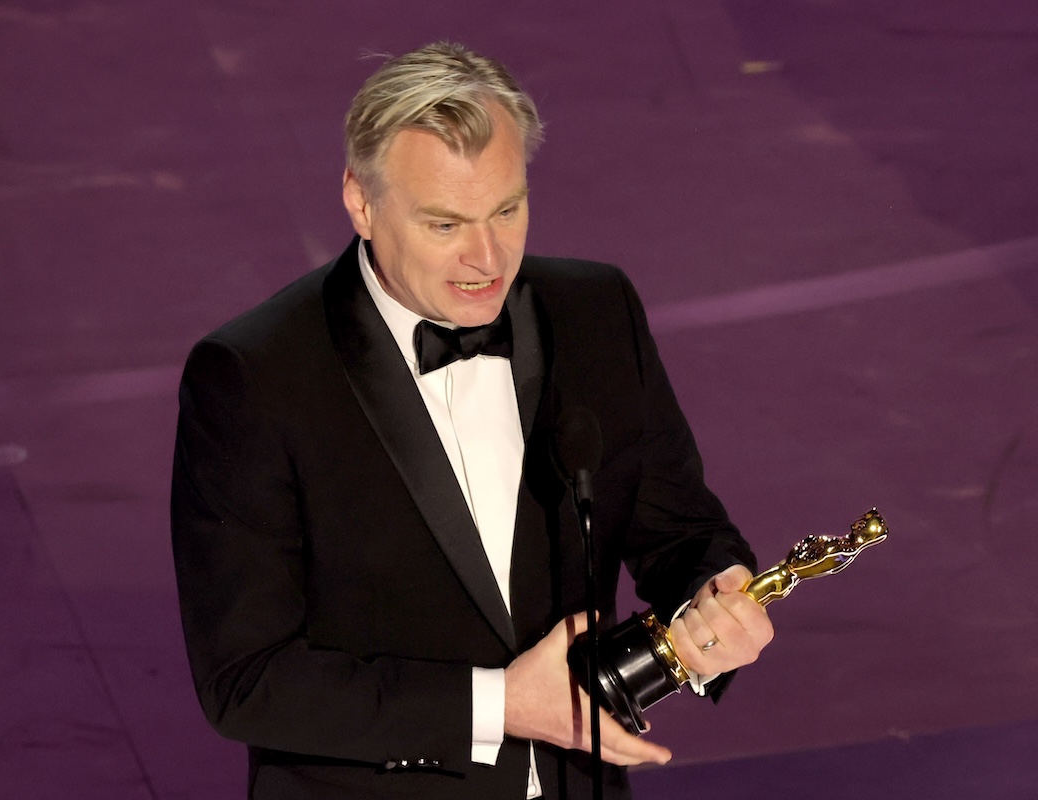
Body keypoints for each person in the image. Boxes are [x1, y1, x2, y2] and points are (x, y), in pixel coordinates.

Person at [171, 41, 774, 800]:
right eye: (444, 224)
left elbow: (680, 530)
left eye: (507, 210)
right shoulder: (255, 377)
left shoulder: (594, 313)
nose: (487, 258)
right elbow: (247, 680)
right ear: (361, 202)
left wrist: (713, 605)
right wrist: (500, 706)